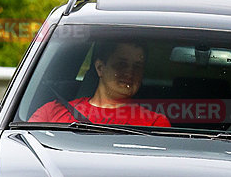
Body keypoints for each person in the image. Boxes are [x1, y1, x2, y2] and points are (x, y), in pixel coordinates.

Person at [27, 39, 171, 126]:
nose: (130, 72)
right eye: (121, 64)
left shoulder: (154, 123)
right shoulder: (52, 111)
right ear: (100, 68)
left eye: (137, 66)